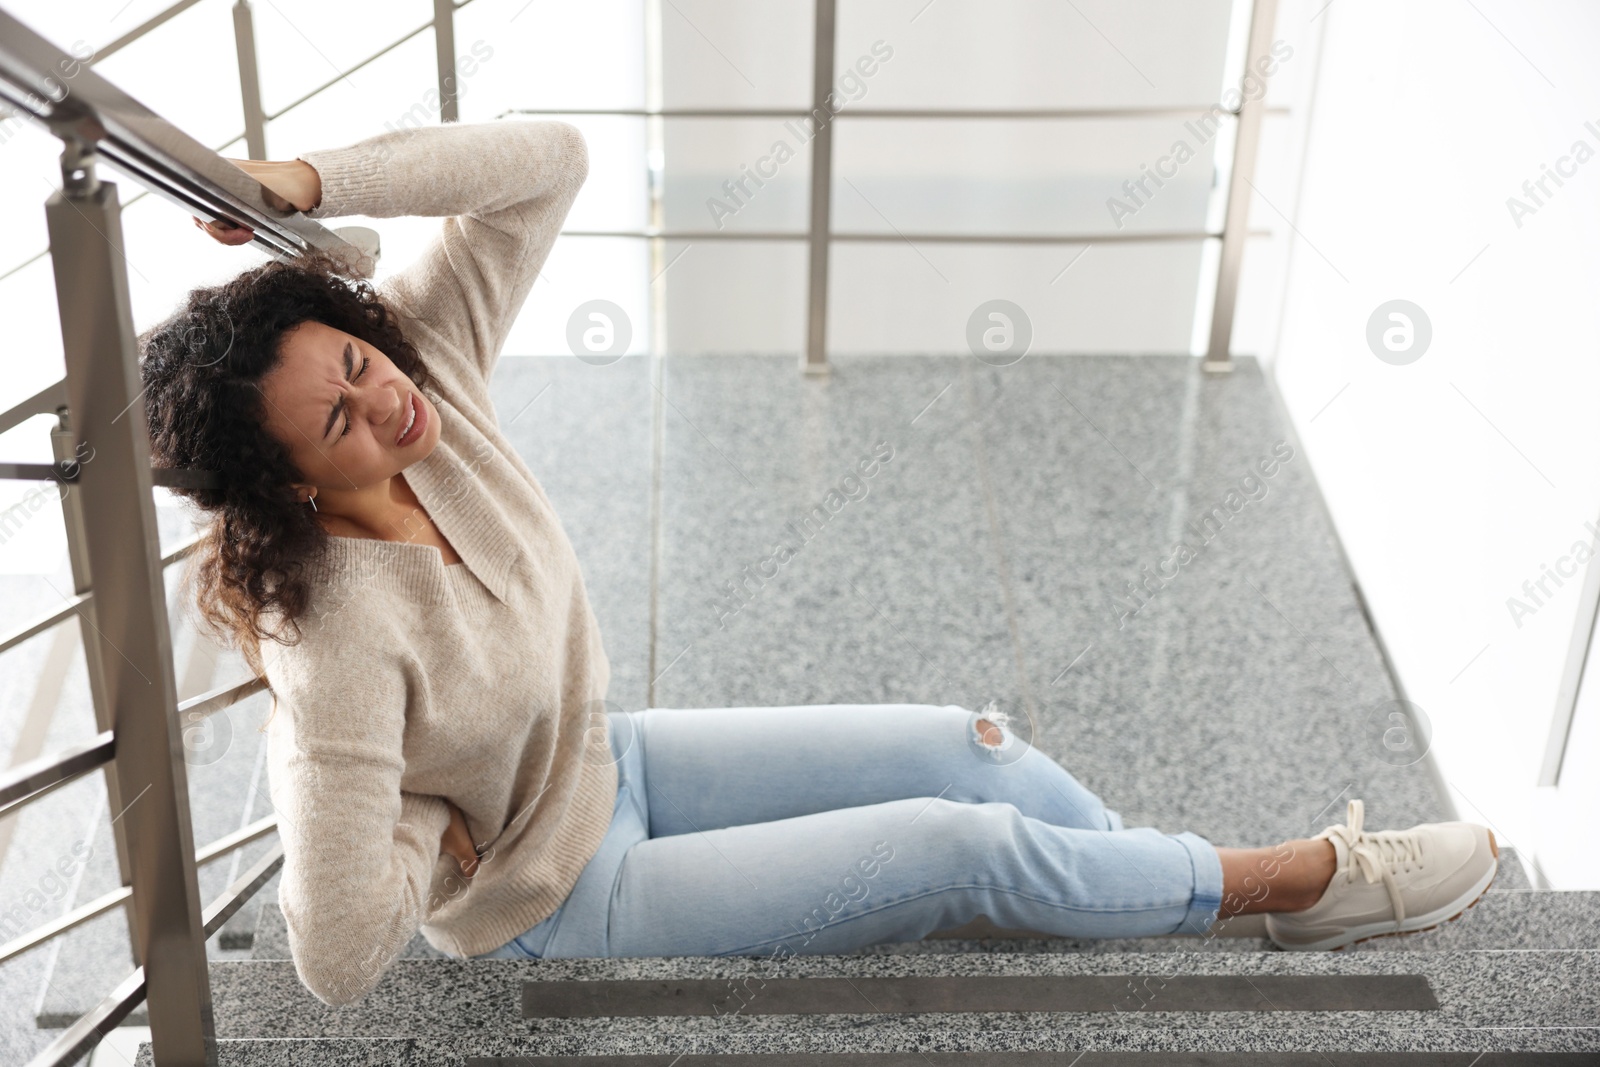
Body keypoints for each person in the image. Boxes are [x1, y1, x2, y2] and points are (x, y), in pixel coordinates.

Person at [143, 119, 1500, 1008]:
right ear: (291, 485)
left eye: (359, 361)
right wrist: (411, 825)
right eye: (339, 417)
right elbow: (328, 957)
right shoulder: (332, 642)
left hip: (624, 763)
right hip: (561, 896)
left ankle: (1125, 886)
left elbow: (546, 160)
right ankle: (1296, 886)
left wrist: (308, 193)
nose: (384, 404)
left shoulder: (432, 377)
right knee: (962, 846)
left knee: (977, 749)